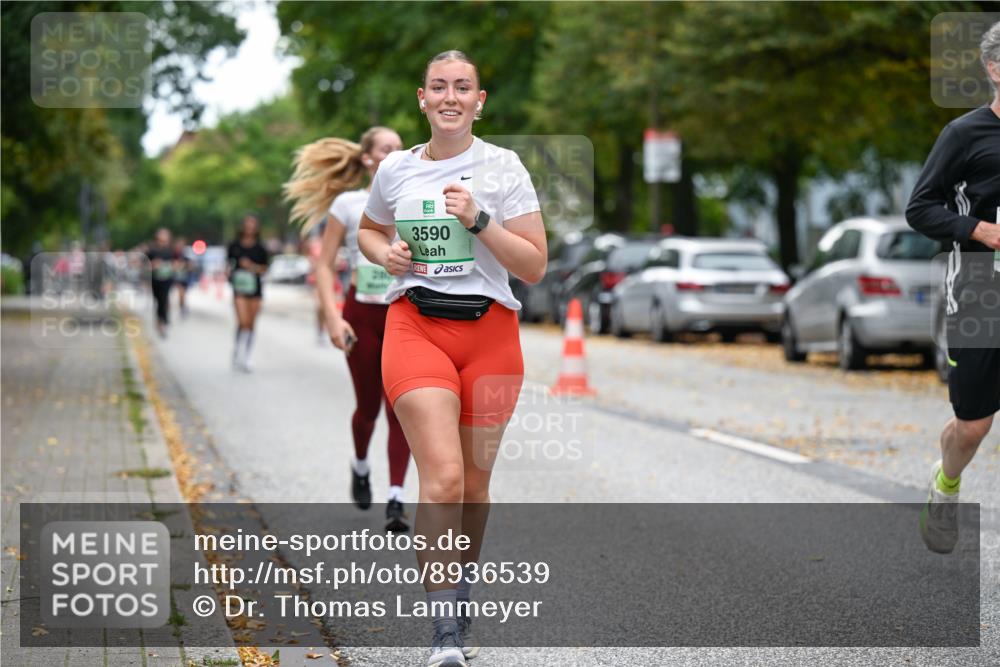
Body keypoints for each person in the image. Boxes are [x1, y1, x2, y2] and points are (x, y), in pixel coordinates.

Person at [357, 50, 546, 666]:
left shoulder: (504, 166)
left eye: (462, 87)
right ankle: (445, 632)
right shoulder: (395, 169)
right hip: (415, 326)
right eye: (439, 87)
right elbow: (368, 229)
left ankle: (459, 593)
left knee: (473, 486)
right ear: (421, 98)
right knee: (440, 478)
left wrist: (481, 218)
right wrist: (384, 255)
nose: (450, 96)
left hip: (491, 336)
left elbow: (534, 266)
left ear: (479, 100)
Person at [284, 127, 413, 533]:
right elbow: (323, 266)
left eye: (400, 148)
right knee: (369, 407)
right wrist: (333, 317)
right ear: (368, 158)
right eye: (386, 148)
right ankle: (360, 466)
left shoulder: (414, 201)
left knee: (401, 408)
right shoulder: (349, 204)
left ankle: (395, 498)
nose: (395, 154)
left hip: (403, 316)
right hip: (361, 316)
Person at [905, 21, 1000, 554]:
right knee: (972, 426)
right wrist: (978, 229)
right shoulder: (965, 135)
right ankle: (946, 487)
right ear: (994, 70)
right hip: (982, 293)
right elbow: (919, 208)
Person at [227, 215, 270, 372]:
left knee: (251, 323)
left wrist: (252, 267)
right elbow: (228, 265)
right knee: (243, 321)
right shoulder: (234, 246)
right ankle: (237, 350)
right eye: (247, 224)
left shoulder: (261, 248)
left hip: (255, 287)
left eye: (253, 225)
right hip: (239, 287)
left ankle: (247, 355)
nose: (250, 228)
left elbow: (265, 269)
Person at [147, 228, 174, 339]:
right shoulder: (152, 251)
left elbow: (178, 263)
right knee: (158, 300)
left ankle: (163, 321)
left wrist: (173, 266)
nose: (163, 242)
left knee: (165, 299)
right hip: (155, 280)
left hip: (167, 279)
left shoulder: (171, 251)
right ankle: (160, 319)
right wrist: (153, 265)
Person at [172, 237, 194, 319]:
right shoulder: (172, 255)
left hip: (184, 278)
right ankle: (182, 307)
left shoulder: (187, 255)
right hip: (175, 277)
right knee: (179, 293)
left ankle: (183, 307)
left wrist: (184, 266)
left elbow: (191, 266)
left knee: (182, 294)